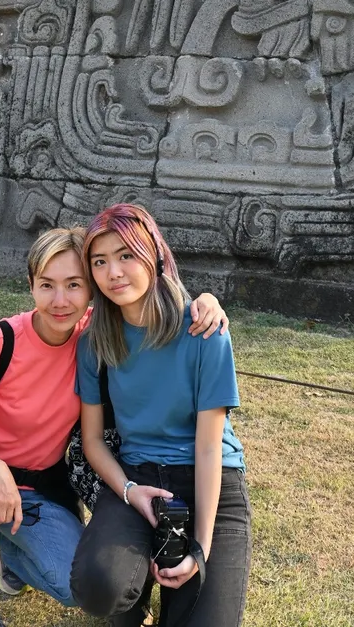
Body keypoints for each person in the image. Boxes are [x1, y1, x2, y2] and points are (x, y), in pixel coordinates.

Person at [0, 225, 228, 627]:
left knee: (79, 587)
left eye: (74, 285)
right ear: (31, 286)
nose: (60, 301)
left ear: (91, 290)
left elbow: (145, 297)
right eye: (47, 285)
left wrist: (206, 300)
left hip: (35, 494)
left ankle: (7, 557)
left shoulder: (94, 334)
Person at [71, 204, 251, 627]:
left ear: (153, 254)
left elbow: (208, 447)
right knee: (100, 585)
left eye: (126, 255)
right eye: (100, 261)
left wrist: (200, 551)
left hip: (211, 479)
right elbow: (93, 441)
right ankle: (134, 593)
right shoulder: (95, 342)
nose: (113, 272)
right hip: (138, 475)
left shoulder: (204, 329)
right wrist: (130, 489)